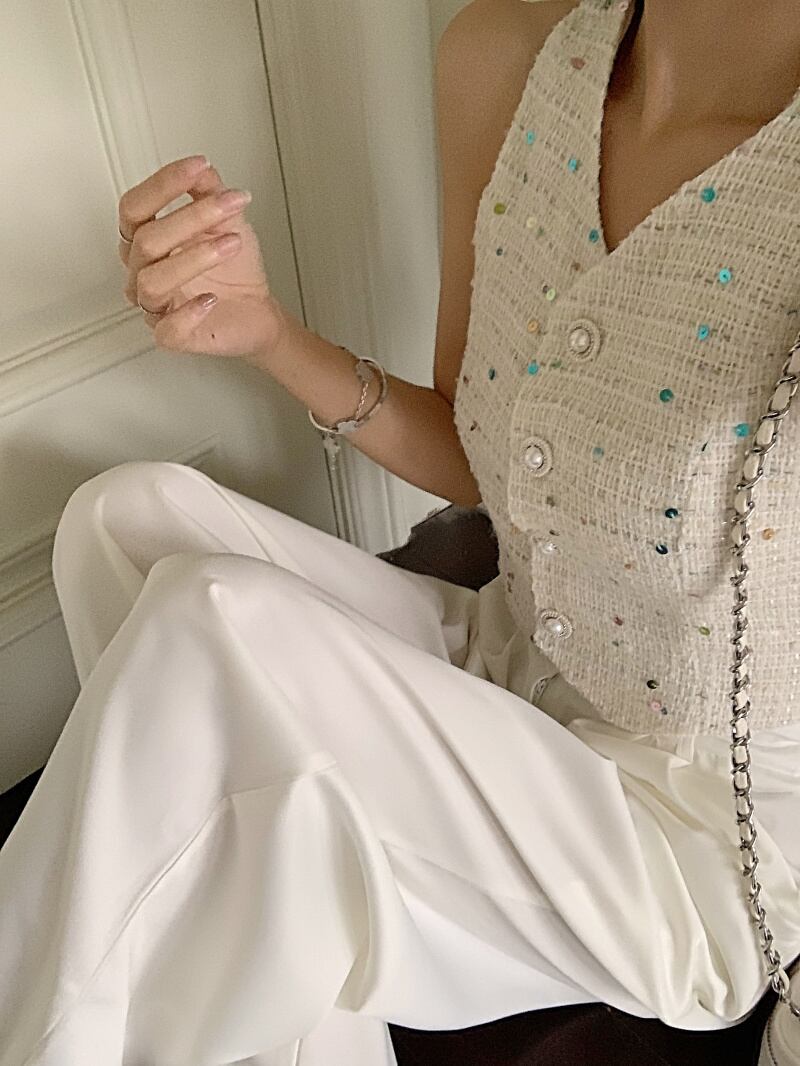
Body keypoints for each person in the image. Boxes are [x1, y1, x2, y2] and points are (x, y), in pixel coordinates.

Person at [1, 0, 800, 1063]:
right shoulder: (509, 58)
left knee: (209, 622)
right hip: (510, 660)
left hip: (696, 822)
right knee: (124, 521)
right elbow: (483, 451)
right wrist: (269, 335)